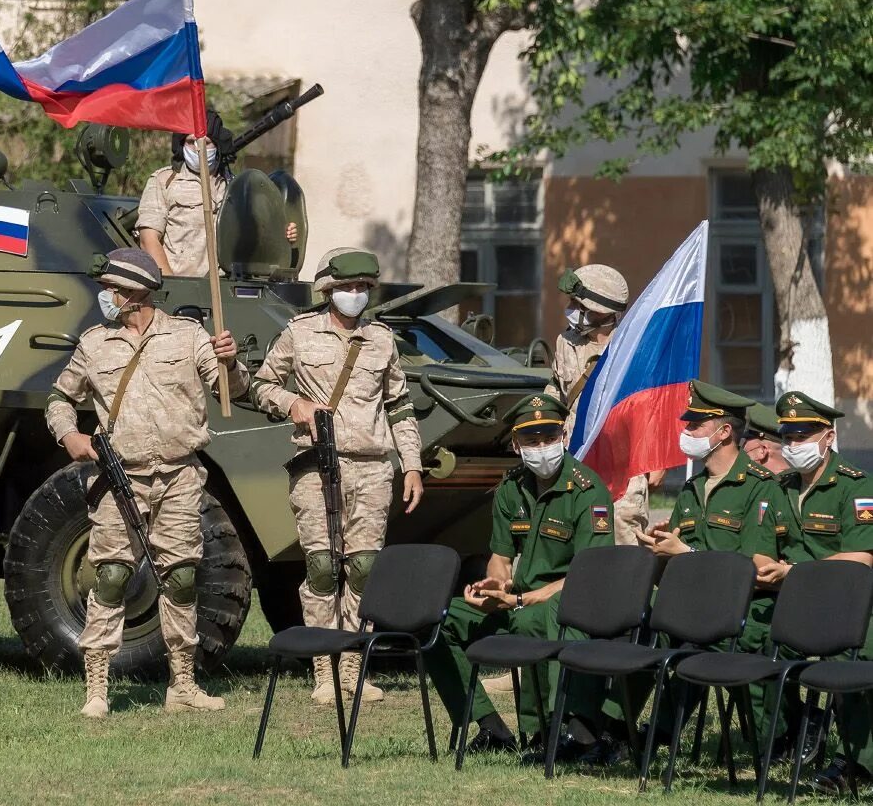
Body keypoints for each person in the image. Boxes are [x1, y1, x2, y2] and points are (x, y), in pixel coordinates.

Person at [45, 247, 249, 718]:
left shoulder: (187, 336)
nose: (104, 297)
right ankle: (97, 686)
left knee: (180, 576)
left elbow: (231, 390)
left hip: (178, 473)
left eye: (110, 290)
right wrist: (70, 435)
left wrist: (230, 361)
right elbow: (59, 398)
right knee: (112, 575)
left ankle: (182, 684)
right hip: (119, 478)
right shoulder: (95, 344)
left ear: (134, 292)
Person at [250, 247, 424, 706]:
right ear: (329, 290)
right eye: (348, 287)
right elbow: (261, 384)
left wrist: (412, 465)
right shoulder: (299, 334)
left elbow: (400, 405)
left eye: (363, 289)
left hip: (370, 466)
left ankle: (353, 668)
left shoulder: (382, 339)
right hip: (316, 465)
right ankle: (323, 670)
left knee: (363, 569)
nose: (355, 295)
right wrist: (295, 404)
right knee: (324, 568)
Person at [424, 393, 615, 759]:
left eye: (549, 436)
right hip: (519, 600)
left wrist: (524, 599)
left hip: (568, 600)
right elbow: (501, 553)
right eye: (531, 439)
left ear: (563, 436)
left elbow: (590, 573)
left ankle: (560, 731)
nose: (542, 447)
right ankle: (489, 726)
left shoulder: (588, 491)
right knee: (437, 620)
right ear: (516, 444)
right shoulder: (512, 486)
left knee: (541, 618)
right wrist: (497, 583)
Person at [638, 380, 789, 755]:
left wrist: (685, 553)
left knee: (710, 639)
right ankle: (611, 727)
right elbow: (675, 557)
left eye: (696, 425)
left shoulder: (761, 487)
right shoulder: (692, 488)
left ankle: (785, 729)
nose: (686, 432)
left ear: (724, 432)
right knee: (636, 627)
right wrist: (660, 549)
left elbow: (755, 566)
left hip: (745, 608)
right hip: (693, 604)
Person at [755, 392, 873, 795]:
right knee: (761, 645)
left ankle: (855, 762)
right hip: (793, 603)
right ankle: (792, 735)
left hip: (849, 604)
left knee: (849, 659)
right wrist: (766, 568)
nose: (793, 444)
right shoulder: (778, 487)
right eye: (787, 435)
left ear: (828, 437)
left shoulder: (855, 487)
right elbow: (759, 545)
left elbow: (859, 559)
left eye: (803, 435)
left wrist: (793, 572)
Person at [548, 264, 652, 546]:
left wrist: (654, 459)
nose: (570, 308)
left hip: (623, 462)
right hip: (576, 455)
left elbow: (649, 408)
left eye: (576, 303)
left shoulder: (634, 347)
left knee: (623, 532)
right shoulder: (566, 343)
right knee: (575, 534)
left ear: (600, 310)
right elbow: (557, 391)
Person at [135, 110, 297, 277]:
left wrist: (282, 233)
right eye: (191, 142)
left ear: (218, 146)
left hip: (226, 287)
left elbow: (257, 234)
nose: (199, 148)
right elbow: (148, 240)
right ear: (181, 145)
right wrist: (170, 285)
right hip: (181, 284)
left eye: (207, 142)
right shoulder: (164, 181)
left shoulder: (236, 186)